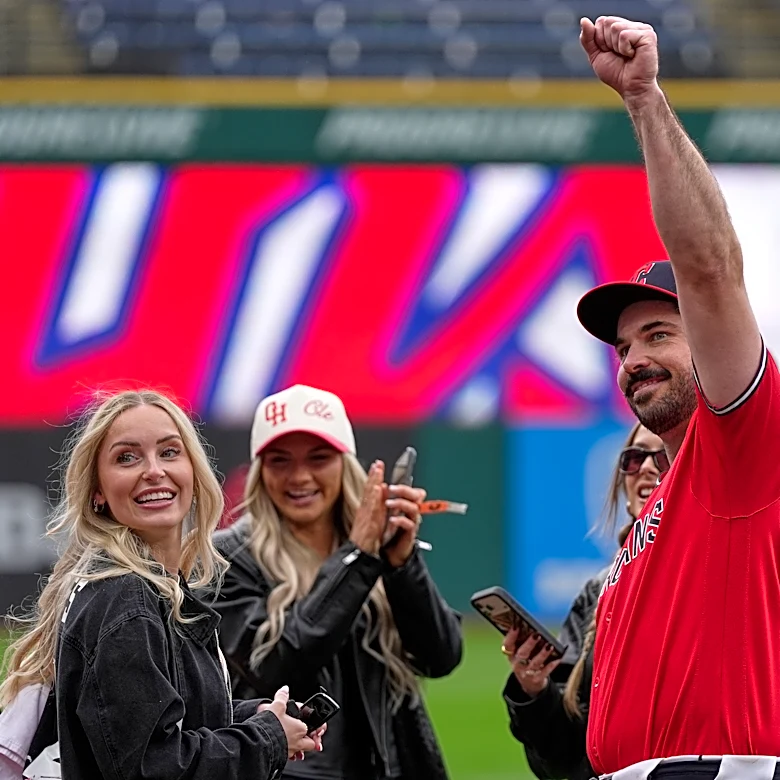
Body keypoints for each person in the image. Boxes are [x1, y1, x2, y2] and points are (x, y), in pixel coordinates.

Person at [572, 15, 780, 780]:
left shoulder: (741, 447)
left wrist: (643, 99)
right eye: (624, 348)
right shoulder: (662, 497)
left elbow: (709, 266)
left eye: (659, 333)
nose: (634, 360)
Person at [0, 390, 323, 780]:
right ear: (98, 491)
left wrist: (254, 717)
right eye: (127, 457)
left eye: (169, 452)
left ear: (193, 470)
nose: (153, 471)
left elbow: (150, 721)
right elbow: (152, 767)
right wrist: (267, 738)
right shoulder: (126, 596)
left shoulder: (147, 585)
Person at [211, 384, 463, 780]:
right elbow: (277, 670)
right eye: (280, 461)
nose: (300, 476)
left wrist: (402, 565)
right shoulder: (228, 557)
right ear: (260, 470)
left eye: (319, 457)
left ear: (345, 463)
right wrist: (359, 559)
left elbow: (441, 656)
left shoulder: (377, 543)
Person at [499, 423, 667, 780]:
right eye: (634, 458)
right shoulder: (598, 591)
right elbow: (563, 760)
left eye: (663, 455)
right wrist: (535, 691)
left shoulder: (722, 571)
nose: (647, 468)